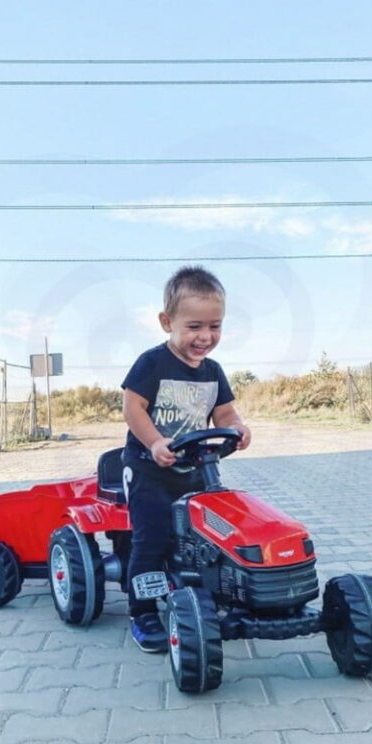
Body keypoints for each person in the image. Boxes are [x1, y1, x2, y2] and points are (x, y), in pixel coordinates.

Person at [120, 265, 252, 652]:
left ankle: (206, 594)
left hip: (195, 471)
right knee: (152, 538)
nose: (205, 336)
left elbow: (223, 412)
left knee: (206, 536)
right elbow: (132, 408)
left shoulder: (213, 371)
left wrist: (237, 427)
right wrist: (154, 442)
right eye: (194, 326)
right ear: (167, 322)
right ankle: (143, 612)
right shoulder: (152, 363)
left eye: (215, 326)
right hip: (149, 471)